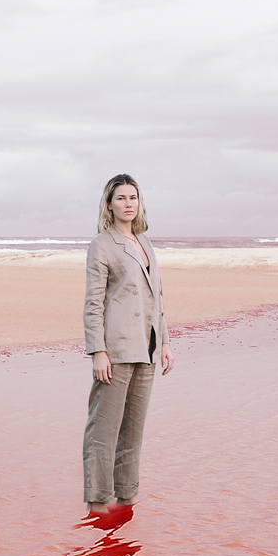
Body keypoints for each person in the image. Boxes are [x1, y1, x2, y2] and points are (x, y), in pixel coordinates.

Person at [82, 174, 174, 515]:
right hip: (116, 349)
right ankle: (97, 502)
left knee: (133, 430)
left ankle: (126, 499)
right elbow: (93, 303)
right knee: (104, 429)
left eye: (133, 197)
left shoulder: (145, 242)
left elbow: (156, 297)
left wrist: (165, 343)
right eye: (121, 198)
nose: (128, 204)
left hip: (147, 348)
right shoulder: (101, 245)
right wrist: (98, 351)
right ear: (109, 205)